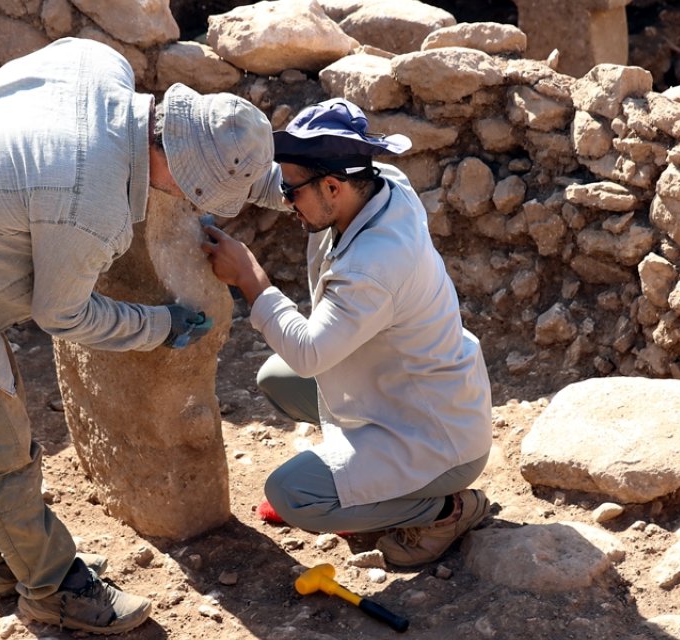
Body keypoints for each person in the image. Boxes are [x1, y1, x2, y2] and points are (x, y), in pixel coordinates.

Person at [0, 38, 281, 634]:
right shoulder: (89, 206)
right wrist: (156, 327)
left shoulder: (99, 65)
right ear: (174, 162)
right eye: (194, 192)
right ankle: (52, 590)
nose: (191, 204)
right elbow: (64, 316)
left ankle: (9, 558)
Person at [202, 98, 494, 567]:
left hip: (438, 441)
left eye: (293, 191)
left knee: (292, 495)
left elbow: (310, 354)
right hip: (404, 398)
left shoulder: (374, 264)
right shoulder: (378, 187)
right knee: (275, 378)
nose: (285, 199)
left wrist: (251, 279)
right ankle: (363, 485)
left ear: (333, 186)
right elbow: (284, 186)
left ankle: (446, 509)